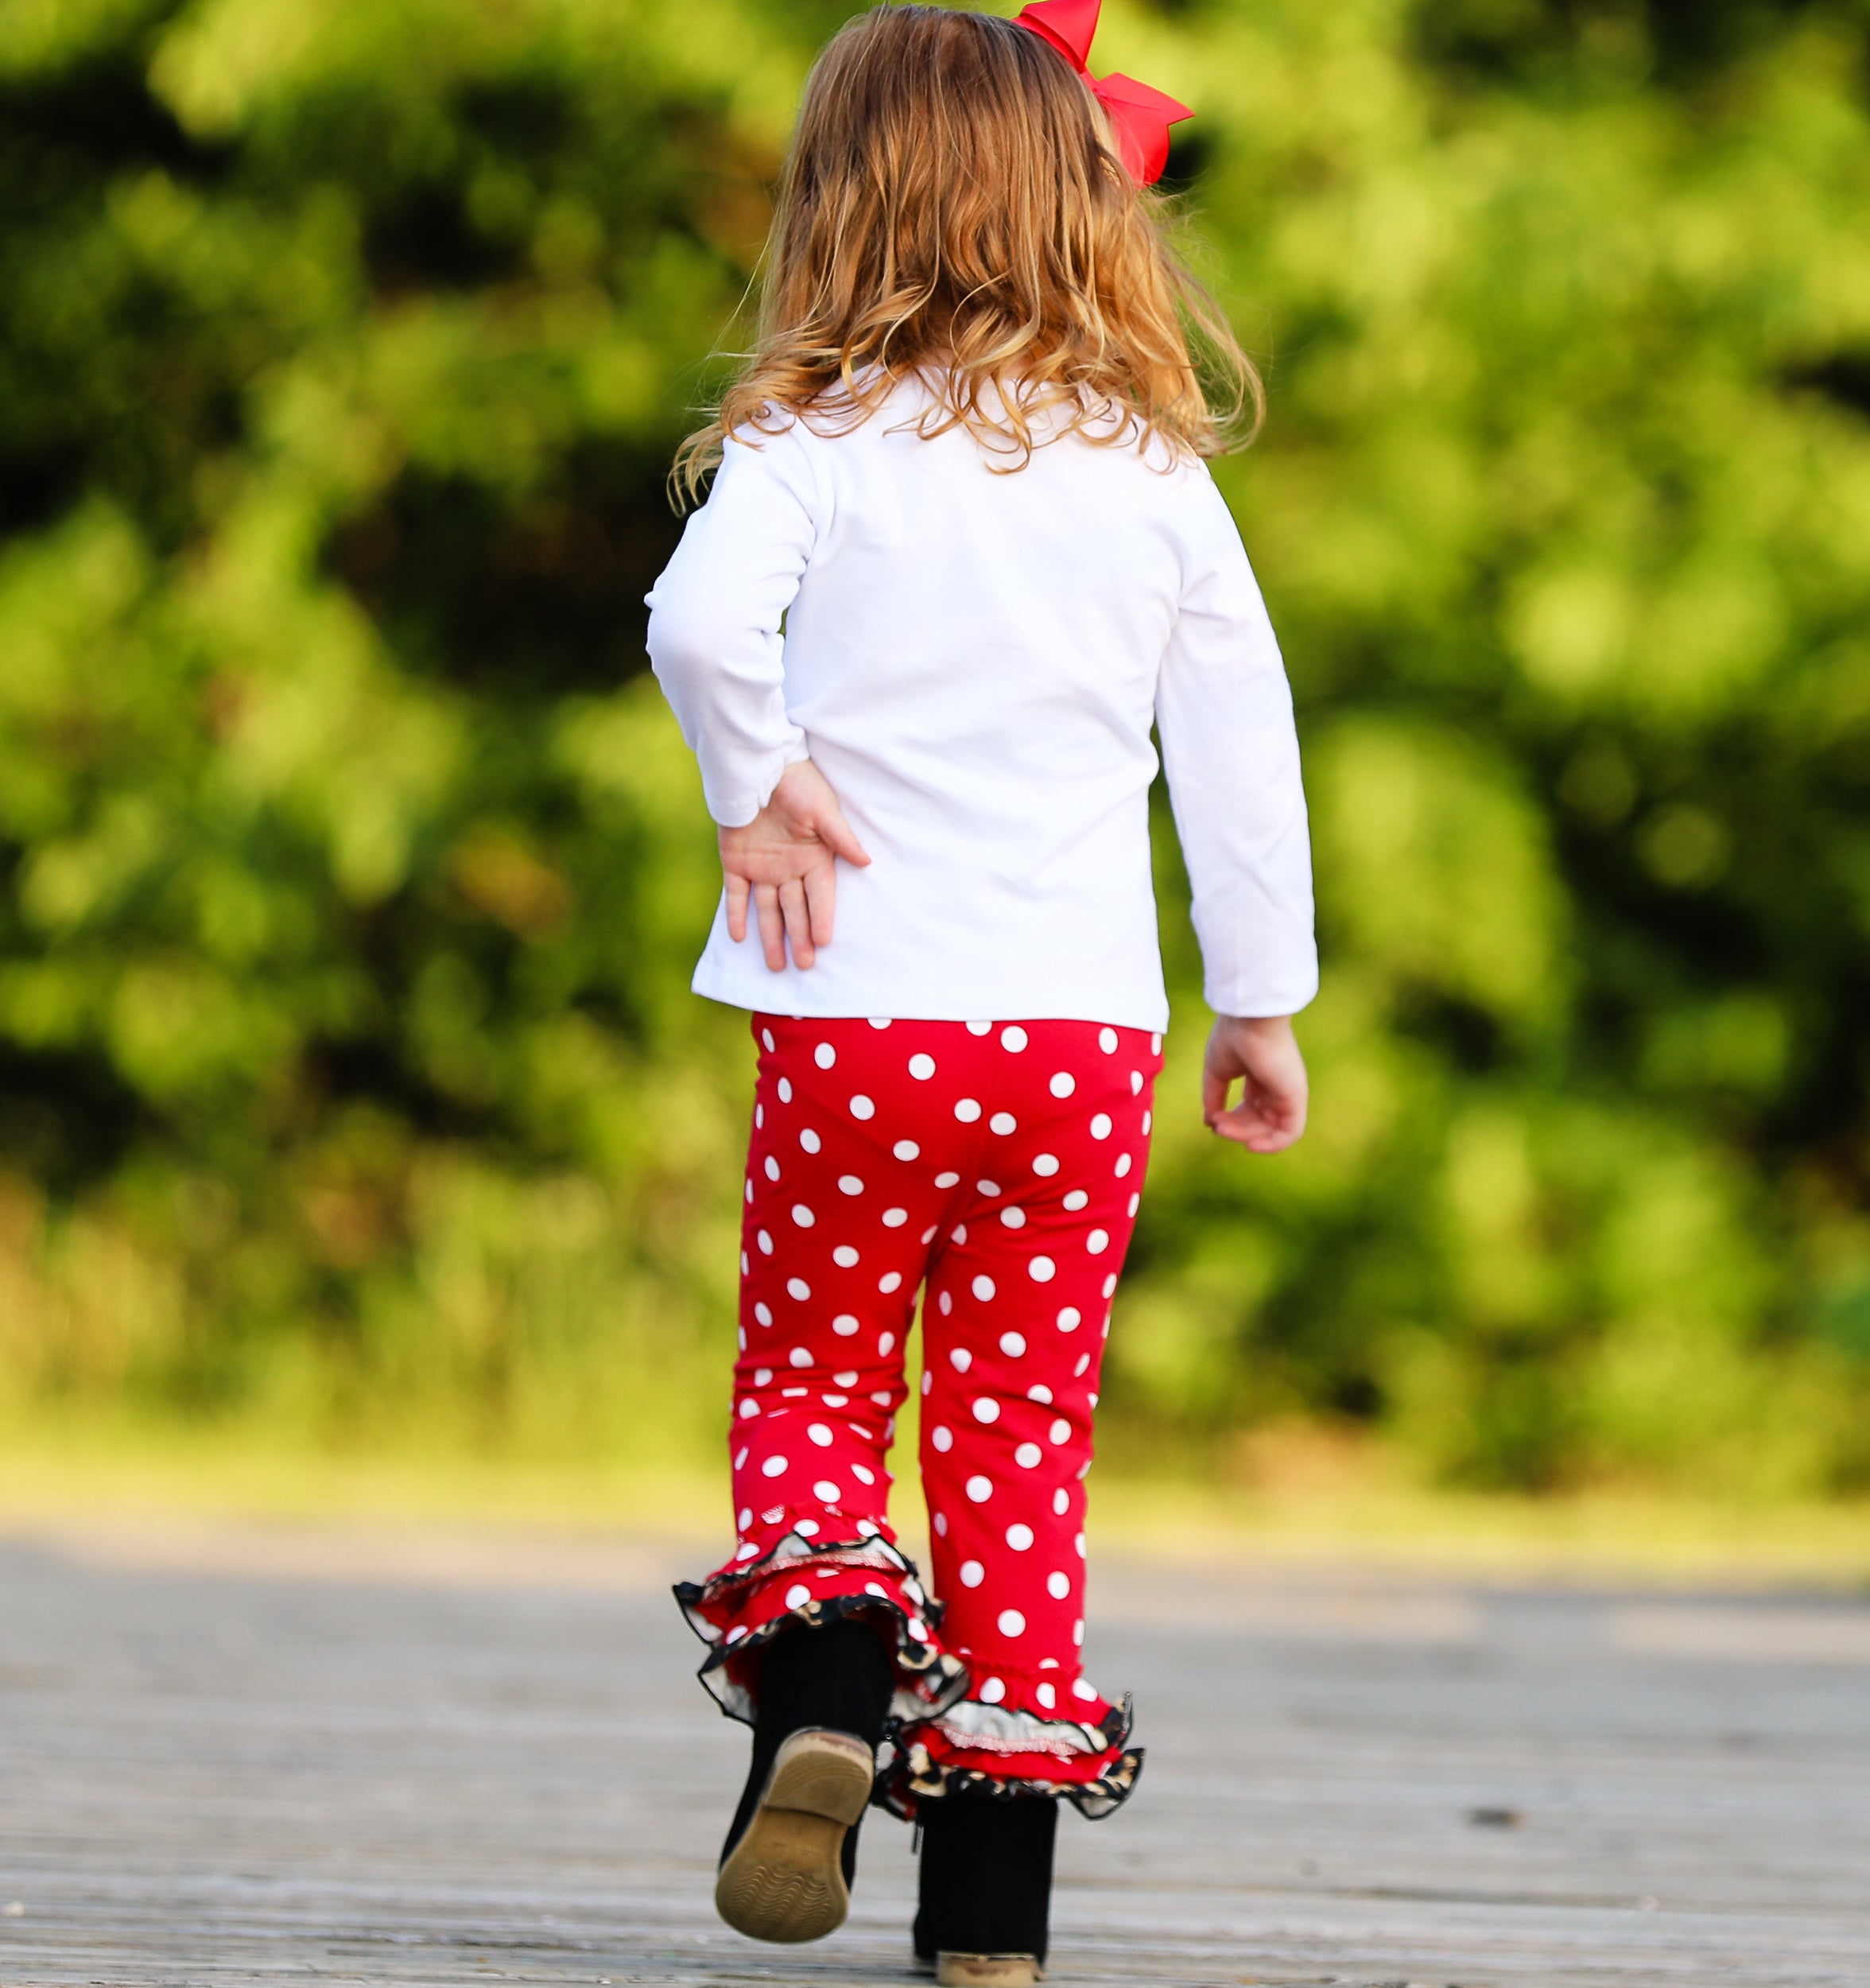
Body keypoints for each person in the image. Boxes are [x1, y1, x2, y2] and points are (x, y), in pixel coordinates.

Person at [645, 5, 1316, 1981]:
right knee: (1019, 1431)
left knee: (819, 1382)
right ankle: (991, 1922)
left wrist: (759, 780)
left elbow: (695, 621)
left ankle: (830, 1701)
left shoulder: (806, 440)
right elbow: (1240, 743)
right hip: (1082, 1040)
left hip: (857, 1020)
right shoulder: (1148, 468)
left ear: (836, 207)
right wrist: (1255, 1000)